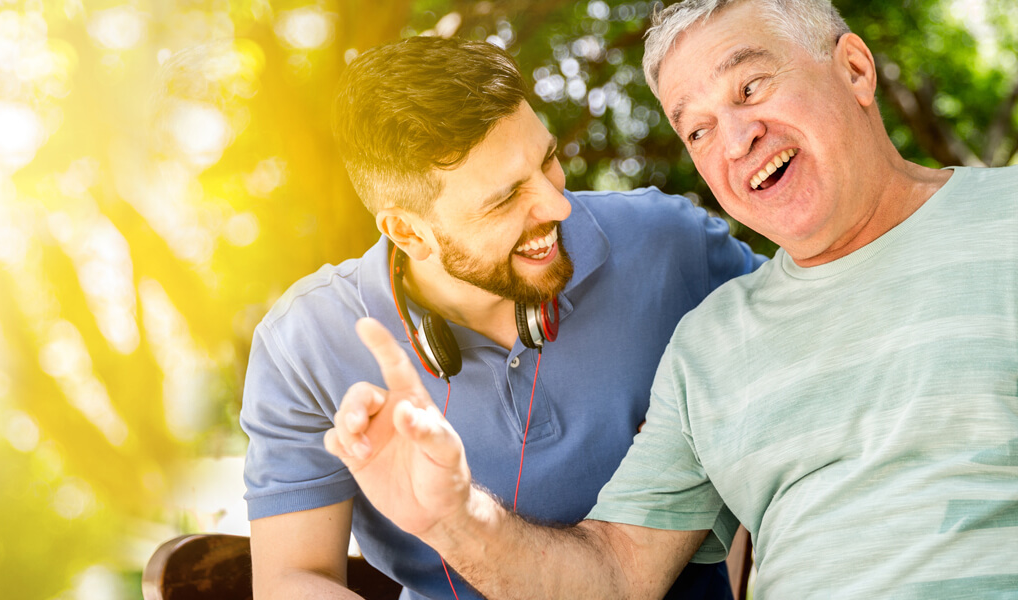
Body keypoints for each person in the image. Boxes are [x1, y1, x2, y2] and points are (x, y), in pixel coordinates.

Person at [322, 0, 1018, 597]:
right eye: (699, 129)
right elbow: (618, 576)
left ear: (856, 70)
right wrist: (451, 518)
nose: (738, 139)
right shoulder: (709, 344)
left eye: (750, 88)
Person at [241, 36, 762, 600]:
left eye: (547, 160)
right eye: (504, 199)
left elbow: (817, 317)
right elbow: (294, 577)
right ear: (409, 232)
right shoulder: (302, 344)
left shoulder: (669, 245)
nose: (557, 206)